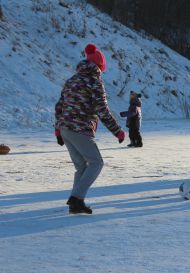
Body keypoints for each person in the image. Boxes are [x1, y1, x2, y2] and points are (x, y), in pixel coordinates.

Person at [54, 43, 125, 214]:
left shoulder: (71, 80)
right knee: (96, 162)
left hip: (65, 128)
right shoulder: (94, 81)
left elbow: (59, 106)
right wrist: (117, 131)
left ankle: (75, 204)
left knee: (82, 167)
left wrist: (58, 129)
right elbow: (102, 110)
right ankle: (76, 198)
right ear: (100, 66)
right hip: (80, 128)